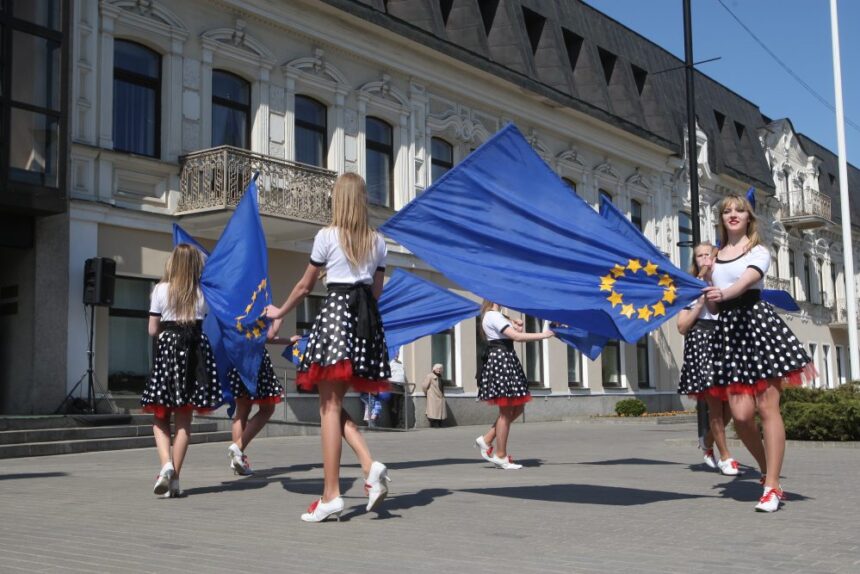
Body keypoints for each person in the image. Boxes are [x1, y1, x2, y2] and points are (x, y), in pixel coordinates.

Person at [266, 173, 391, 523]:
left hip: (336, 316)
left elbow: (304, 287)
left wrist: (279, 312)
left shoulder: (327, 236)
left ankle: (332, 494)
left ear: (338, 199)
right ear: (362, 200)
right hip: (365, 322)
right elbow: (376, 291)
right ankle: (368, 466)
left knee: (329, 408)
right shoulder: (378, 241)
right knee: (333, 405)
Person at [703, 193, 814, 512]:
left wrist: (722, 292)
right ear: (721, 219)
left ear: (748, 217)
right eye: (727, 211)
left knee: (768, 408)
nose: (733, 215)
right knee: (740, 417)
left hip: (757, 327)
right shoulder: (715, 257)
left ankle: (771, 486)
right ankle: (769, 473)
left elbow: (747, 282)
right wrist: (708, 284)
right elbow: (714, 306)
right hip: (729, 334)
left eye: (739, 210)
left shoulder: (759, 250)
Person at [141, 244, 223, 498]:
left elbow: (152, 330)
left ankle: (165, 465)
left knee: (160, 415)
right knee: (184, 420)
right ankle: (174, 480)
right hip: (195, 352)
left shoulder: (161, 289)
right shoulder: (202, 293)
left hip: (168, 351)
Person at [677, 242, 738, 476]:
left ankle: (708, 441)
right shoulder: (689, 288)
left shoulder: (726, 282)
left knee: (733, 404)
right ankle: (726, 456)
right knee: (714, 404)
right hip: (701, 342)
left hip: (725, 340)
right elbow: (682, 327)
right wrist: (700, 301)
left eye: (708, 254)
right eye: (699, 256)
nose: (704, 259)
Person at [473, 301, 553, 470]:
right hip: (502, 360)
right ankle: (501, 455)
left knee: (517, 407)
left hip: (506, 358)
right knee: (506, 411)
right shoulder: (493, 315)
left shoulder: (499, 316)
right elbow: (516, 337)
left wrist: (516, 326)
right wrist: (544, 334)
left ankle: (487, 439)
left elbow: (513, 334)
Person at [226, 318, 285, 476]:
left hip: (236, 356)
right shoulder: (262, 305)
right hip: (255, 357)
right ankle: (238, 447)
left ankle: (237, 458)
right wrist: (279, 318)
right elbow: (269, 335)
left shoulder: (234, 306)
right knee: (267, 409)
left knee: (242, 409)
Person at [422, 363, 447, 428]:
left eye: (440, 369)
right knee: (433, 412)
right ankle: (434, 423)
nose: (439, 370)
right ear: (434, 369)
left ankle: (439, 422)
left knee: (439, 411)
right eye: (437, 368)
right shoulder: (430, 376)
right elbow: (424, 386)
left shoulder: (440, 377)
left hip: (440, 396)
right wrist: (427, 394)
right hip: (433, 396)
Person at [387, 351, 407, 429]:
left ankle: (400, 423)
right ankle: (394, 424)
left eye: (398, 353)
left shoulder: (400, 363)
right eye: (395, 352)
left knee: (400, 406)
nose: (396, 354)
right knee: (394, 406)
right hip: (393, 385)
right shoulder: (389, 363)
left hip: (401, 386)